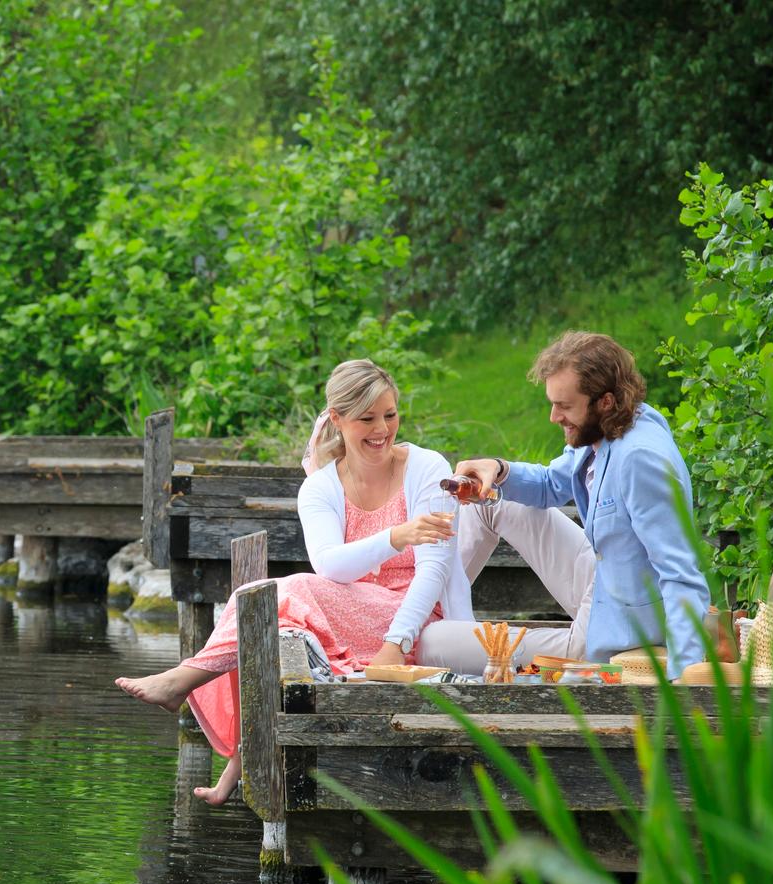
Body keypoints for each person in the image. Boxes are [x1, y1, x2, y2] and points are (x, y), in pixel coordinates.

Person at [116, 359, 472, 803]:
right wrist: (396, 536)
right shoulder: (321, 487)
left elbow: (434, 571)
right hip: (353, 613)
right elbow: (331, 567)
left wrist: (396, 643)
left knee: (281, 594)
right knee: (275, 622)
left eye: (390, 414)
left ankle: (183, 682)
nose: (382, 429)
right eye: (367, 418)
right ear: (337, 419)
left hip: (419, 621)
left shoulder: (425, 467)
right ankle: (239, 763)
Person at [418, 330, 710, 679]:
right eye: (552, 403)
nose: (554, 417)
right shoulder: (606, 428)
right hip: (603, 577)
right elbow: (551, 484)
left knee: (432, 644)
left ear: (605, 401)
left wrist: (685, 680)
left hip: (624, 631)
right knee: (491, 500)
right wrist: (498, 470)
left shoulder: (641, 459)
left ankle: (424, 639)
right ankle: (419, 609)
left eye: (565, 406)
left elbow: (681, 574)